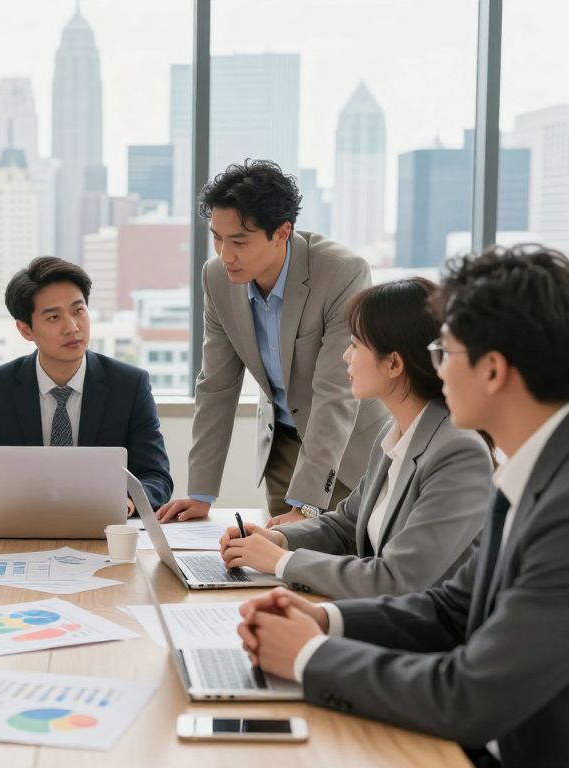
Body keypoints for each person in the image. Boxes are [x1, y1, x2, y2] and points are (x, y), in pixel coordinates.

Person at [236, 246, 569, 768]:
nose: (435, 367)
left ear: (493, 370)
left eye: (446, 351)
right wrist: (322, 620)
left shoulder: (561, 506)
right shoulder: (530, 470)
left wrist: (308, 655)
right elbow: (449, 609)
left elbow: (470, 697)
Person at [219, 278, 492, 599]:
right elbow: (346, 524)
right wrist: (279, 539)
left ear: (393, 363)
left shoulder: (459, 453)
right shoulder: (393, 435)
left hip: (430, 638)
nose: (346, 357)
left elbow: (395, 580)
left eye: (355, 345)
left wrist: (282, 562)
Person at [156, 160, 388, 526]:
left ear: (282, 232)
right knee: (276, 564)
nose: (224, 254)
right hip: (282, 443)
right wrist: (201, 493)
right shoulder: (216, 277)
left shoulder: (341, 272)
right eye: (217, 237)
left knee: (343, 562)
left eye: (239, 241)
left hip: (347, 450)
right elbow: (216, 385)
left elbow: (335, 391)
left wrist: (308, 504)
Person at [0, 257, 173, 515]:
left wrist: (128, 502)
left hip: (104, 530)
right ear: (25, 330)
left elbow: (156, 477)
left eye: (78, 311)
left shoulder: (129, 386)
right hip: (18, 529)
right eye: (54, 317)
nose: (72, 327)